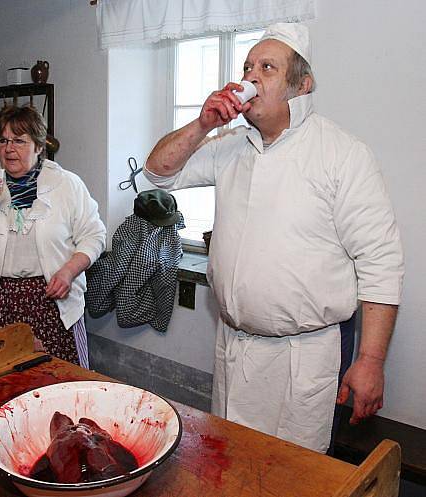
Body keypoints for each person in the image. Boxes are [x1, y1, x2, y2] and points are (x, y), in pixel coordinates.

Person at [144, 23, 404, 452]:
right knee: (234, 461)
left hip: (302, 357)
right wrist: (203, 122)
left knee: (294, 474)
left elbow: (381, 261)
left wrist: (370, 361)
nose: (250, 76)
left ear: (300, 86)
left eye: (267, 67)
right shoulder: (230, 144)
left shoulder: (341, 153)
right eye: (247, 66)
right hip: (233, 346)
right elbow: (157, 173)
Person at [0, 105, 105, 367]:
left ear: (39, 146)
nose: (8, 148)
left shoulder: (66, 185)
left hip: (53, 301)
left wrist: (68, 272)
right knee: (5, 384)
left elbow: (94, 235)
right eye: (2, 140)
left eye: (19, 140)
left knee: (61, 382)